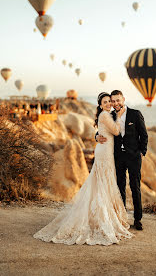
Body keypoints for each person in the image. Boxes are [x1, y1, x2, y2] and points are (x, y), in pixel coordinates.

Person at [33, 92, 133, 245]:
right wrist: (119, 116)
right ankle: (102, 218)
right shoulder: (107, 115)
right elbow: (116, 131)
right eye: (105, 102)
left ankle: (102, 215)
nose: (108, 104)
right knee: (103, 183)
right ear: (100, 105)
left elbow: (102, 131)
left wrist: (98, 134)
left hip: (106, 150)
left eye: (109, 101)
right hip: (104, 152)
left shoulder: (106, 115)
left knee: (101, 183)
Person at [96, 90, 148, 230]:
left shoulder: (135, 114)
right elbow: (100, 130)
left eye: (118, 100)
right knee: (120, 188)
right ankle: (121, 218)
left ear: (123, 99)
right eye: (113, 101)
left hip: (134, 157)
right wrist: (96, 137)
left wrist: (142, 152)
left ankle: (138, 219)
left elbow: (144, 134)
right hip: (118, 157)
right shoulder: (110, 115)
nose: (115, 103)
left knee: (135, 187)